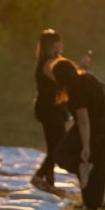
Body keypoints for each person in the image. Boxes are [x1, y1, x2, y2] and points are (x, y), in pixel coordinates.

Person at [54, 58, 105, 210]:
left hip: (92, 129)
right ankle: (92, 203)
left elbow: (83, 121)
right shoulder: (87, 78)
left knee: (62, 154)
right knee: (98, 165)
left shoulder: (75, 91)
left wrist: (85, 146)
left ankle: (80, 166)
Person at [31, 29, 79, 195]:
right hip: (49, 109)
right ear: (53, 44)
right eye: (60, 41)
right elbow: (63, 81)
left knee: (53, 145)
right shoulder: (48, 63)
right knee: (59, 145)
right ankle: (39, 176)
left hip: (52, 108)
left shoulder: (50, 61)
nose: (62, 44)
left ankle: (49, 183)